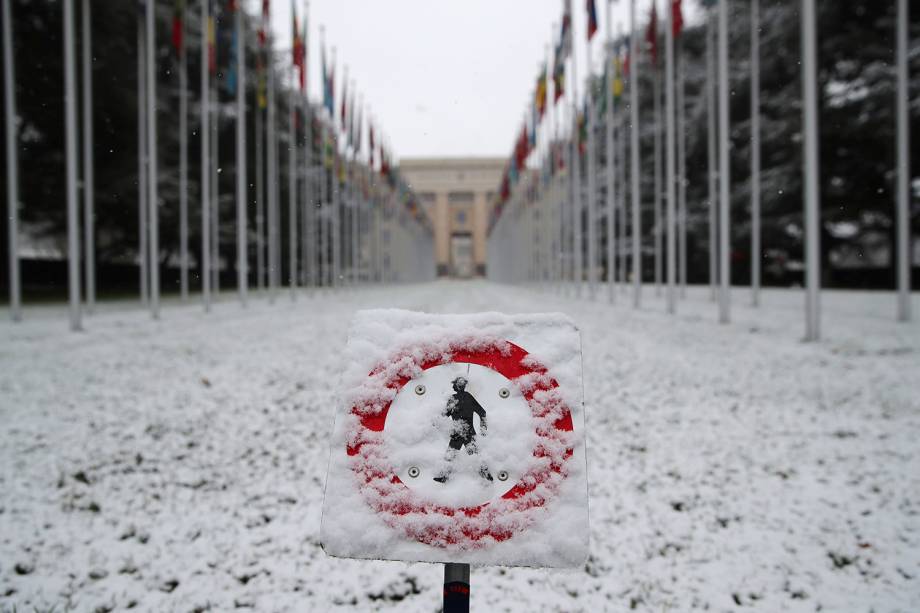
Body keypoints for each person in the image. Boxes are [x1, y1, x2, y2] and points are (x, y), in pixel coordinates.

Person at [434, 376, 493, 483]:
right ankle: (443, 477)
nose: (456, 387)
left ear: (457, 386)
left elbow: (482, 412)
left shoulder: (462, 398)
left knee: (467, 455)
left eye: (457, 385)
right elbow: (444, 415)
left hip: (465, 432)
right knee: (452, 455)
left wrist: (483, 429)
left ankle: (487, 476)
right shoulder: (457, 398)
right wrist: (483, 429)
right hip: (459, 433)